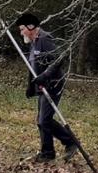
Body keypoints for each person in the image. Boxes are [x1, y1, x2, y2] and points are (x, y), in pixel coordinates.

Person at [15, 12, 78, 162]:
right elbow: (33, 67)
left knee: (45, 120)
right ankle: (47, 151)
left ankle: (70, 142)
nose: (21, 32)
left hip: (53, 84)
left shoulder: (45, 39)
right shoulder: (33, 42)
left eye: (22, 28)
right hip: (42, 86)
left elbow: (58, 60)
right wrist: (31, 86)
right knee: (40, 120)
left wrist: (46, 76)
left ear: (31, 27)